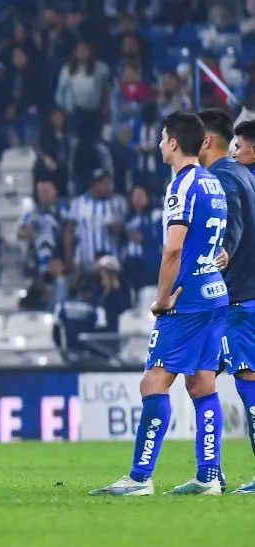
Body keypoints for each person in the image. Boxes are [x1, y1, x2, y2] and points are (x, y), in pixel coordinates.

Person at [91, 111, 228, 497]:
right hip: (215, 294)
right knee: (202, 384)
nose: (158, 143)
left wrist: (162, 298)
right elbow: (218, 239)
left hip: (187, 300)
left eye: (162, 137)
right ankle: (208, 476)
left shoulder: (182, 186)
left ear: (172, 143)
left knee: (153, 381)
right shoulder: (212, 183)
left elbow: (173, 248)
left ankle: (139, 478)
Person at [201, 113, 255, 493]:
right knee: (200, 376)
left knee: (248, 382)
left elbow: (231, 219)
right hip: (237, 299)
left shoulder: (224, 176)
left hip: (237, 298)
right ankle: (209, 473)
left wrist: (225, 250)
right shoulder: (248, 176)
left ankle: (210, 474)